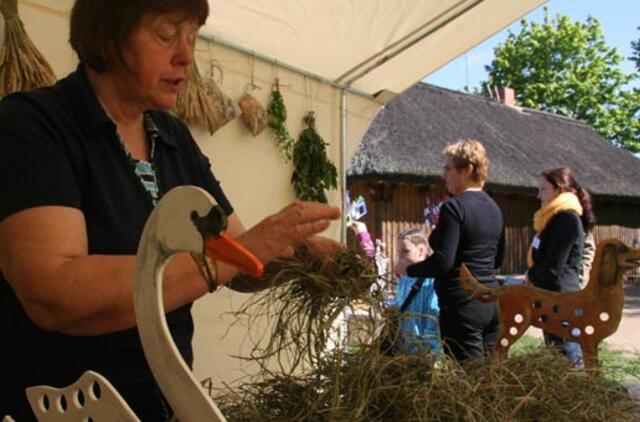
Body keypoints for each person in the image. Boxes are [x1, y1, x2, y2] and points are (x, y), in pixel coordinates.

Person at [0, 1, 340, 419]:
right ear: (107, 37)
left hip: (164, 404)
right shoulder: (34, 125)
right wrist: (231, 255)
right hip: (65, 407)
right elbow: (55, 293)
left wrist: (300, 255)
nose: (185, 56)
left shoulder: (172, 136)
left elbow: (233, 259)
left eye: (192, 39)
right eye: (165, 36)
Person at [402, 140, 505, 362]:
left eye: (448, 168)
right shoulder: (494, 208)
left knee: (471, 383)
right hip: (490, 304)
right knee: (492, 379)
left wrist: (408, 269)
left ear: (466, 170)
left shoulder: (454, 207)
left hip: (462, 306)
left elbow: (443, 262)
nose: (443, 175)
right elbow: (498, 259)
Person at [525, 166, 596, 366]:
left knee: (567, 353)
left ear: (559, 189)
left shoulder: (566, 218)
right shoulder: (553, 218)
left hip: (562, 299)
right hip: (551, 296)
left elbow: (554, 266)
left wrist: (531, 275)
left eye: (543, 189)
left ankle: (579, 392)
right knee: (556, 352)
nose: (539, 195)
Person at [392, 228, 440, 356]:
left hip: (424, 353)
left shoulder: (432, 280)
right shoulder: (404, 278)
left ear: (421, 250)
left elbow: (434, 317)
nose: (400, 257)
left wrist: (427, 351)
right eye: (398, 253)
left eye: (405, 251)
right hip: (404, 351)